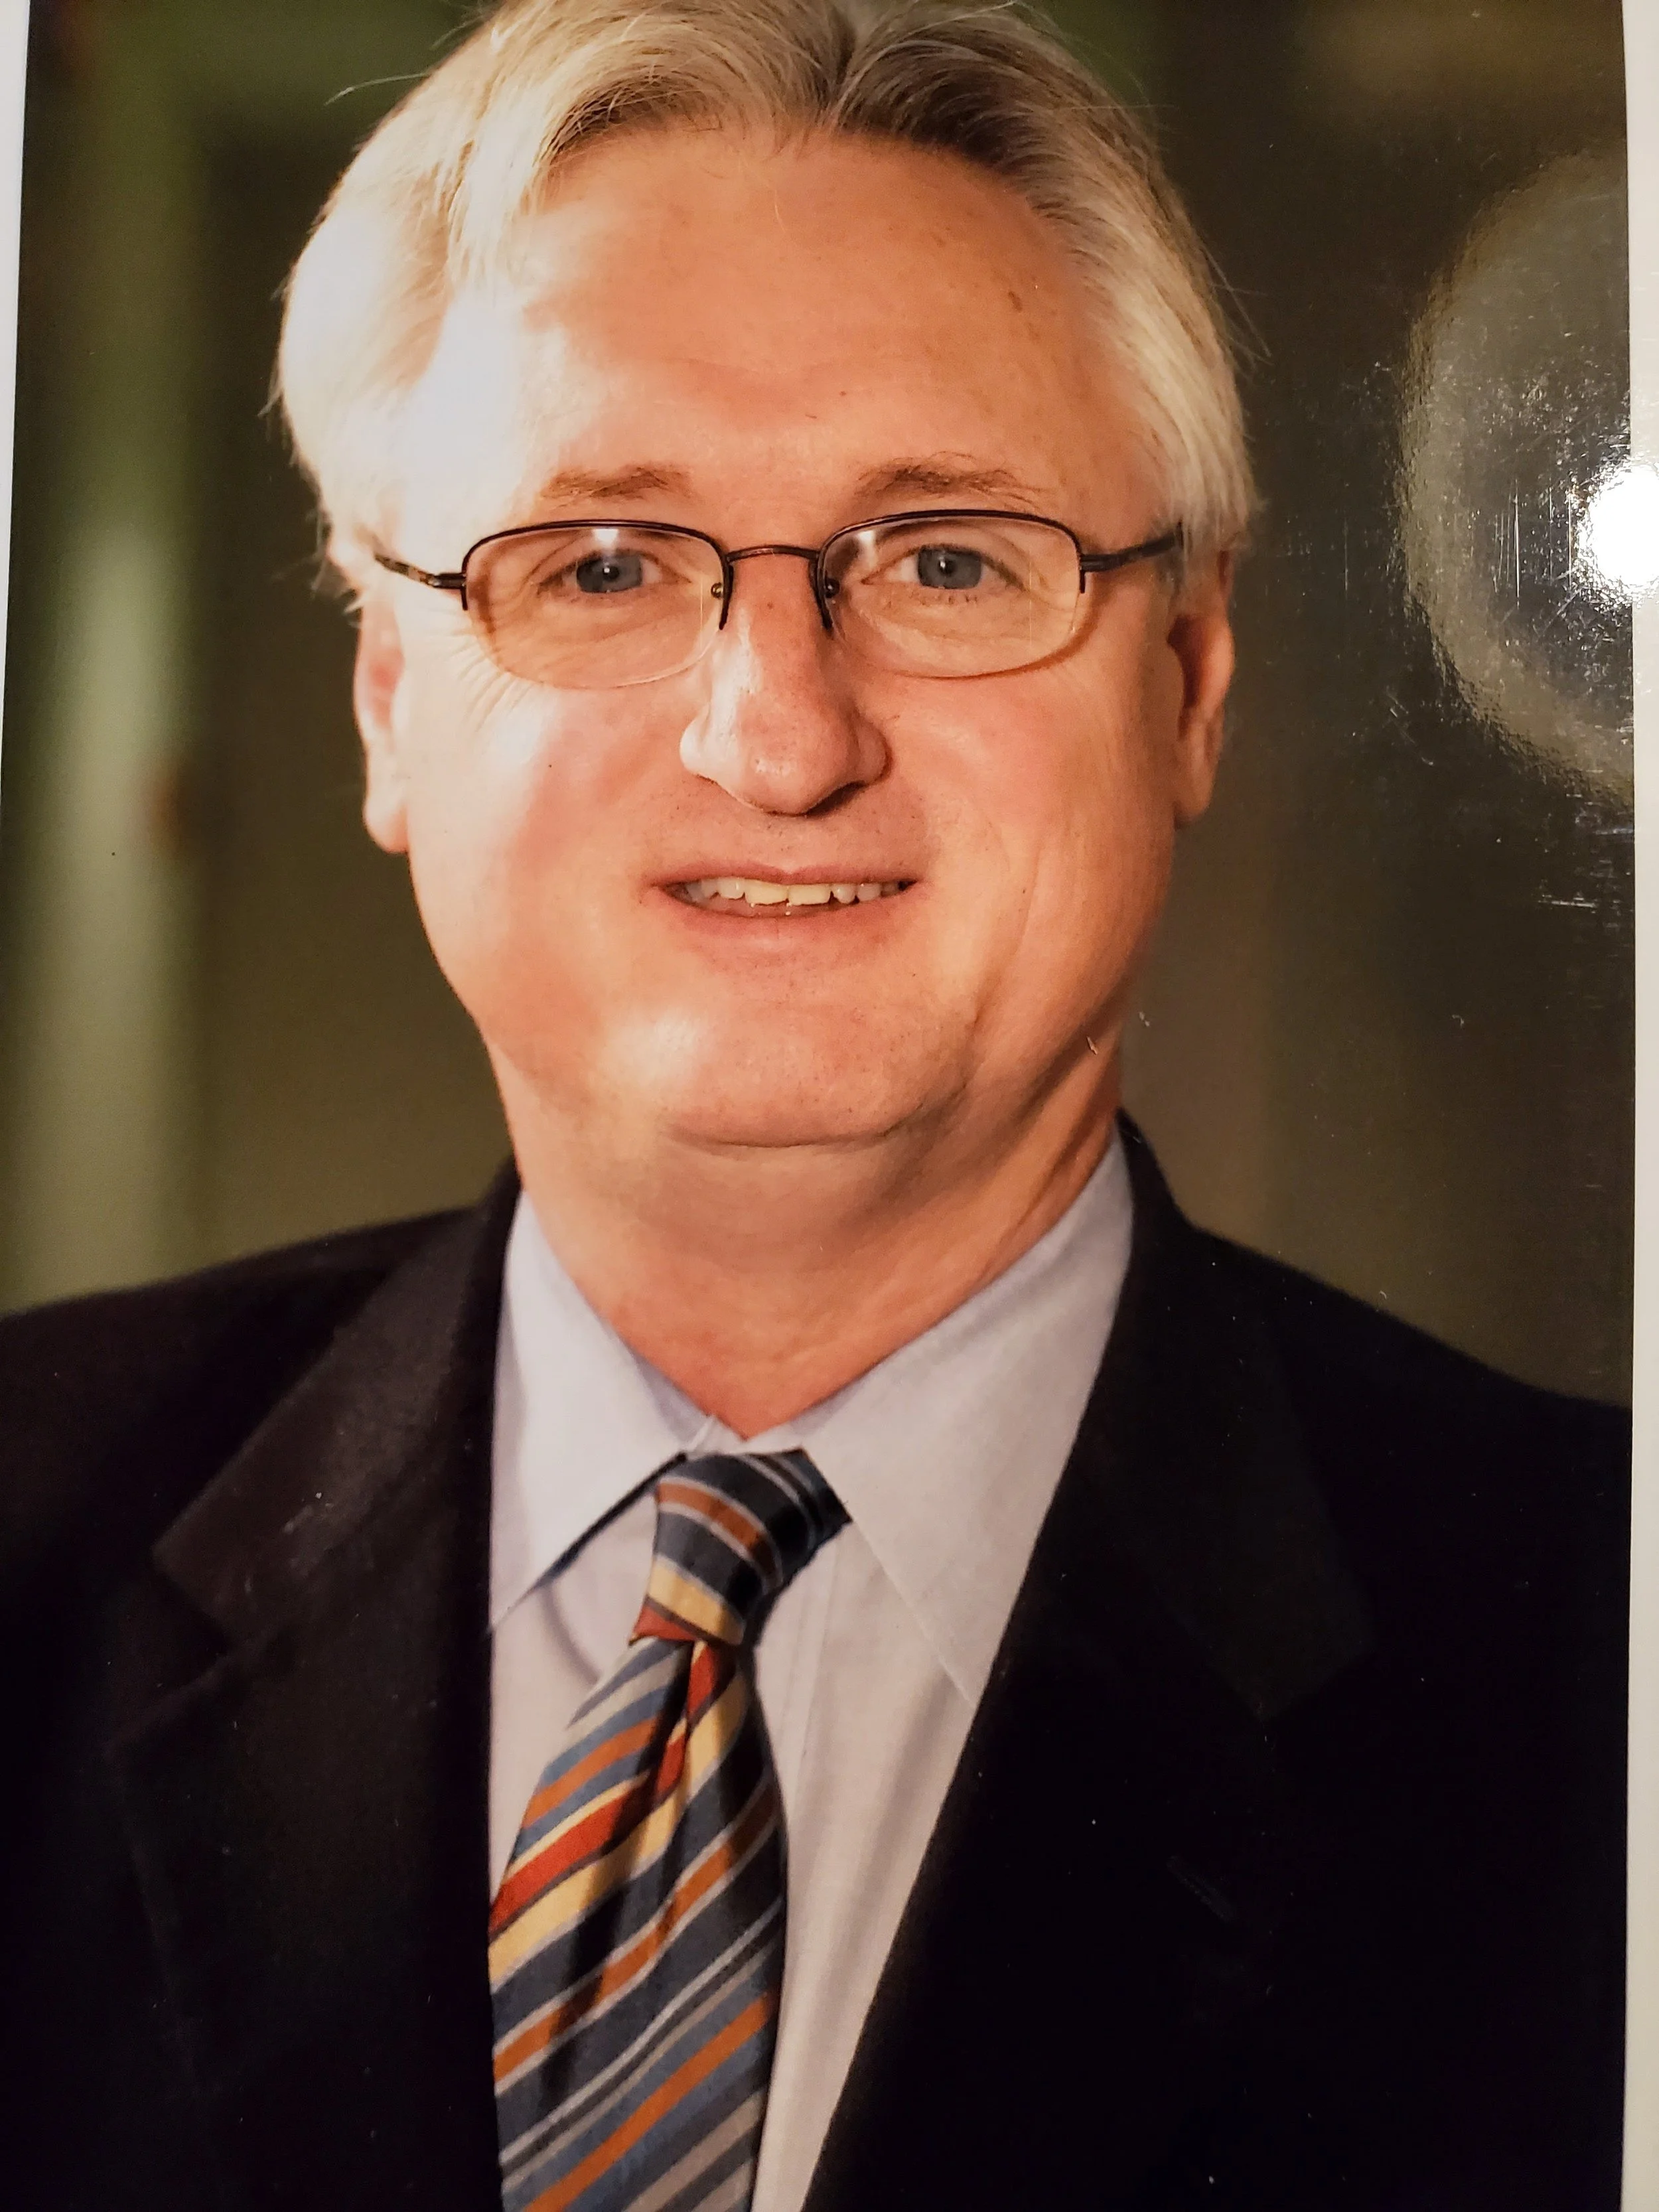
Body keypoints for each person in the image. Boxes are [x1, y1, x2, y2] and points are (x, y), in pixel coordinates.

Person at [0, 1, 1628, 2206]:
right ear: (390, 700)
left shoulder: (1603, 1647)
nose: (778, 739)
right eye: (600, 563)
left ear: (1187, 680)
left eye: (948, 558)